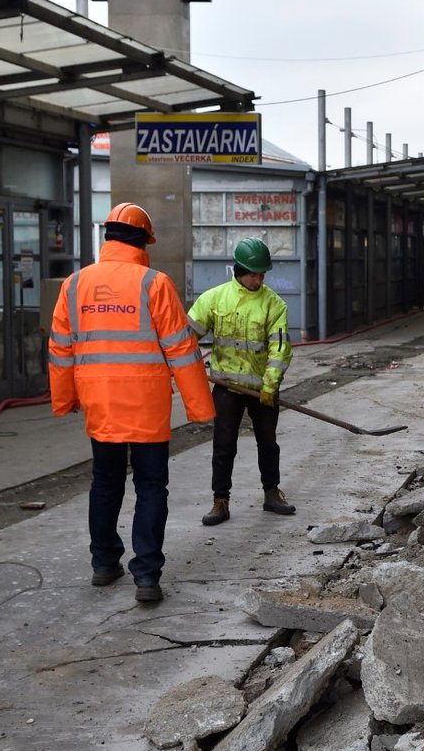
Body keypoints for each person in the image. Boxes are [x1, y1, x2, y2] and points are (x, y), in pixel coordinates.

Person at [48, 202, 215, 603]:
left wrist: (65, 399)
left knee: (105, 483)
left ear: (107, 237)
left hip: (100, 403)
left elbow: (60, 349)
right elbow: (181, 350)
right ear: (144, 241)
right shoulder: (154, 284)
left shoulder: (73, 285)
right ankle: (146, 576)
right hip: (147, 406)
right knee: (152, 486)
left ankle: (104, 564)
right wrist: (200, 408)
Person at [189, 238, 295, 526]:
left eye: (262, 274)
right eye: (252, 274)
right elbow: (187, 337)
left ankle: (271, 493)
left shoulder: (274, 305)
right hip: (226, 387)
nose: (258, 280)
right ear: (238, 270)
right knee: (224, 445)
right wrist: (185, 366)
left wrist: (270, 386)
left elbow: (280, 349)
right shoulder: (214, 299)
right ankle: (220, 501)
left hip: (262, 388)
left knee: (268, 443)